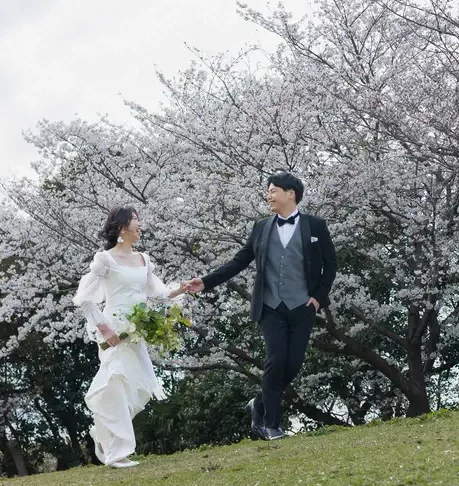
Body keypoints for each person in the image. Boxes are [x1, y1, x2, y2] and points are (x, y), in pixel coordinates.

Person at [181, 172, 336, 440]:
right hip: (269, 306)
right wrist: (205, 282)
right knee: (276, 360)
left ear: (291, 194)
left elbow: (331, 265)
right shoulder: (261, 227)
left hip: (302, 306)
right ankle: (271, 425)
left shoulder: (315, 226)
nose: (269, 195)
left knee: (293, 364)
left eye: (274, 190)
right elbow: (239, 261)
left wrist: (318, 298)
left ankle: (259, 404)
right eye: (268, 190)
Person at [73, 205, 183, 467]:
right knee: (115, 381)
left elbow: (159, 293)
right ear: (121, 227)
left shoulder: (144, 259)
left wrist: (182, 289)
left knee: (140, 387)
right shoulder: (105, 260)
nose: (140, 224)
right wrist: (104, 328)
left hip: (137, 330)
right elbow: (85, 299)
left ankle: (103, 435)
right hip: (113, 330)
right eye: (135, 220)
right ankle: (118, 453)